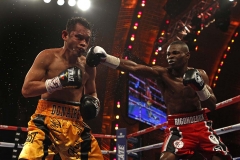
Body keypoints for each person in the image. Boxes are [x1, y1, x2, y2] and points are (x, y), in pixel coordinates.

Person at [85, 40, 232, 160]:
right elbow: (135, 67)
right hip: (178, 127)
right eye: (168, 54)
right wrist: (105, 58)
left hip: (200, 124)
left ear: (187, 55)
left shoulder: (200, 74)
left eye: (175, 53)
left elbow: (212, 105)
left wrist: (200, 88)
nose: (170, 57)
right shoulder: (163, 74)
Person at [19, 17, 104, 160]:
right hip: (45, 118)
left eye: (87, 40)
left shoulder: (88, 66)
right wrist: (58, 82)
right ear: (65, 35)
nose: (83, 43)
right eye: (79, 37)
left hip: (75, 121)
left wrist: (94, 103)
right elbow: (27, 90)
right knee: (29, 158)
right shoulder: (47, 56)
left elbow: (91, 92)